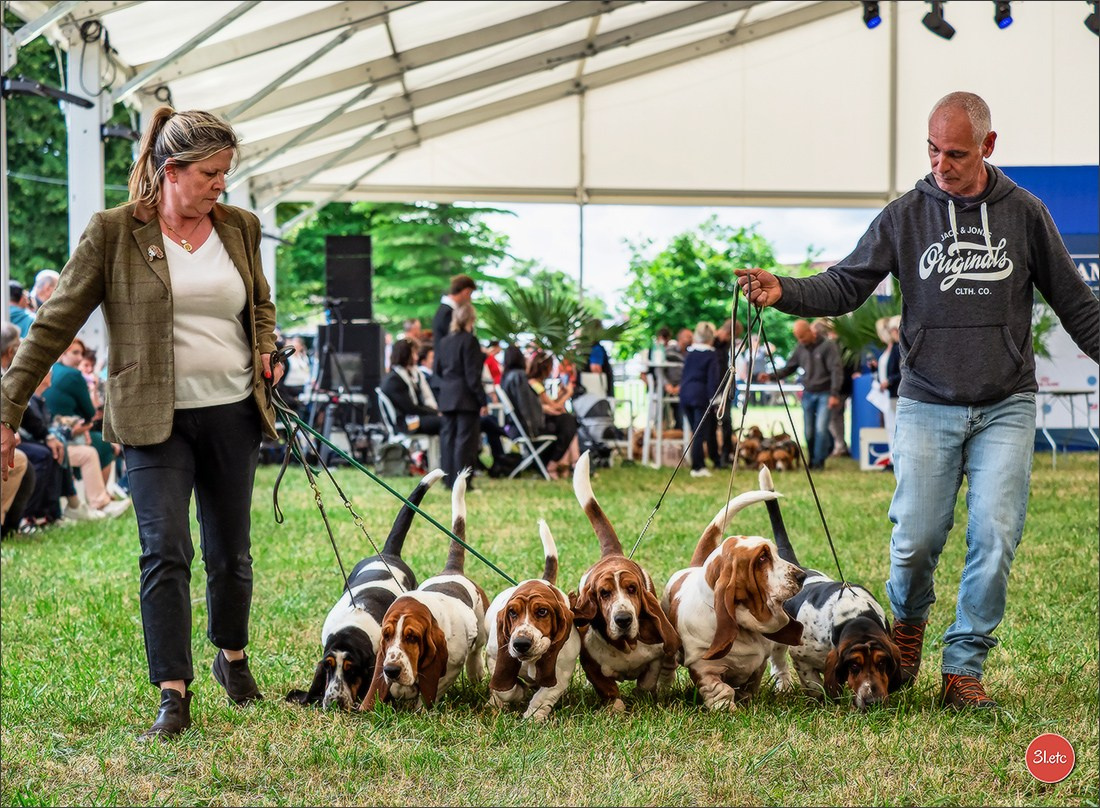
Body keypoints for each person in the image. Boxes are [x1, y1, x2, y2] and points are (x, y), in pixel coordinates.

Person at [736, 91, 1099, 710]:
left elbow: (1078, 305)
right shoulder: (907, 215)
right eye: (932, 150)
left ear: (988, 145)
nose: (941, 164)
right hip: (928, 399)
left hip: (1006, 402)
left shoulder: (1026, 214)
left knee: (996, 534)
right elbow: (847, 282)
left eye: (955, 152)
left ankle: (962, 668)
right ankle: (904, 627)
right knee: (917, 538)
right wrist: (786, 290)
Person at [1, 106, 284, 739]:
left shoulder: (240, 226)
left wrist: (265, 347)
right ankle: (173, 691)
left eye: (225, 174)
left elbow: (259, 302)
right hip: (154, 417)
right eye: (210, 173)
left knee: (231, 553)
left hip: (234, 410)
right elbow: (55, 320)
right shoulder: (114, 231)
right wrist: (8, 404)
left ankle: (231, 655)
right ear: (171, 170)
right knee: (164, 549)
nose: (220, 185)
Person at [759, 319, 842, 470]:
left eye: (803, 337)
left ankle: (818, 463)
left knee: (821, 428)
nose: (801, 341)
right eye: (798, 338)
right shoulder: (800, 348)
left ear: (811, 332)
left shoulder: (828, 346)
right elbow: (789, 368)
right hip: (808, 393)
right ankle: (812, 459)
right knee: (808, 431)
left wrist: (834, 394)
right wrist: (770, 376)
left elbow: (836, 370)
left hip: (825, 393)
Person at [433, 303, 487, 489]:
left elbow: (437, 370)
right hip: (465, 397)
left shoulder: (445, 341)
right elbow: (472, 375)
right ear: (471, 319)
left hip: (447, 396)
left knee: (447, 440)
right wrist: (482, 399)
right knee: (465, 441)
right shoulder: (470, 341)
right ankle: (462, 482)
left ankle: (448, 480)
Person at [525, 350, 581, 479]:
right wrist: (568, 394)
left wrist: (562, 394)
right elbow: (554, 406)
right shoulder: (535, 384)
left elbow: (552, 404)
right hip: (541, 424)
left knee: (569, 423)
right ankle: (568, 463)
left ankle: (569, 463)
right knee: (569, 423)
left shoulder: (536, 384)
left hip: (545, 421)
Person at [679, 322, 722, 478]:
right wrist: (716, 401)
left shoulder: (690, 354)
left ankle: (698, 463)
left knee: (694, 431)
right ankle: (698, 466)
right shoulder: (711, 355)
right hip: (700, 397)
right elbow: (713, 380)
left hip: (685, 396)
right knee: (699, 433)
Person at [874, 315, 902, 465]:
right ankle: (892, 458)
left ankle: (896, 459)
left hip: (896, 393)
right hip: (888, 395)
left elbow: (902, 372)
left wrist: (889, 381)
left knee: (895, 427)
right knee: (890, 427)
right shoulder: (891, 349)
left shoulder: (899, 349)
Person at [432, 274, 477, 345]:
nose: (470, 299)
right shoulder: (448, 312)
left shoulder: (444, 310)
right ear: (466, 291)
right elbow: (454, 343)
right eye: (470, 294)